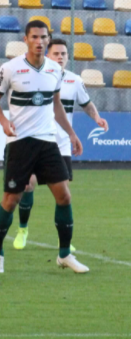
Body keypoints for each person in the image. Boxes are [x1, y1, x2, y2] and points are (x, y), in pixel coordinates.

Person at [0, 21, 86, 274]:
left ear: (48, 40)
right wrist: (4, 121)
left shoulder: (54, 70)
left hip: (48, 141)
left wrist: (71, 134)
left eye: (43, 37)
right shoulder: (9, 69)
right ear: (26, 39)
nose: (39, 41)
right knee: (11, 200)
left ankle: (64, 255)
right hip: (20, 143)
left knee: (64, 196)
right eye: (35, 37)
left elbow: (56, 105)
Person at [12, 39, 108, 253]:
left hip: (62, 146)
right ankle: (23, 229)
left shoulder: (74, 81)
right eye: (56, 53)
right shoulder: (38, 77)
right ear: (48, 54)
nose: (60, 57)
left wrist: (97, 118)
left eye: (64, 54)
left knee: (62, 194)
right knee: (28, 185)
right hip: (36, 141)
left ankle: (62, 241)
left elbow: (86, 103)